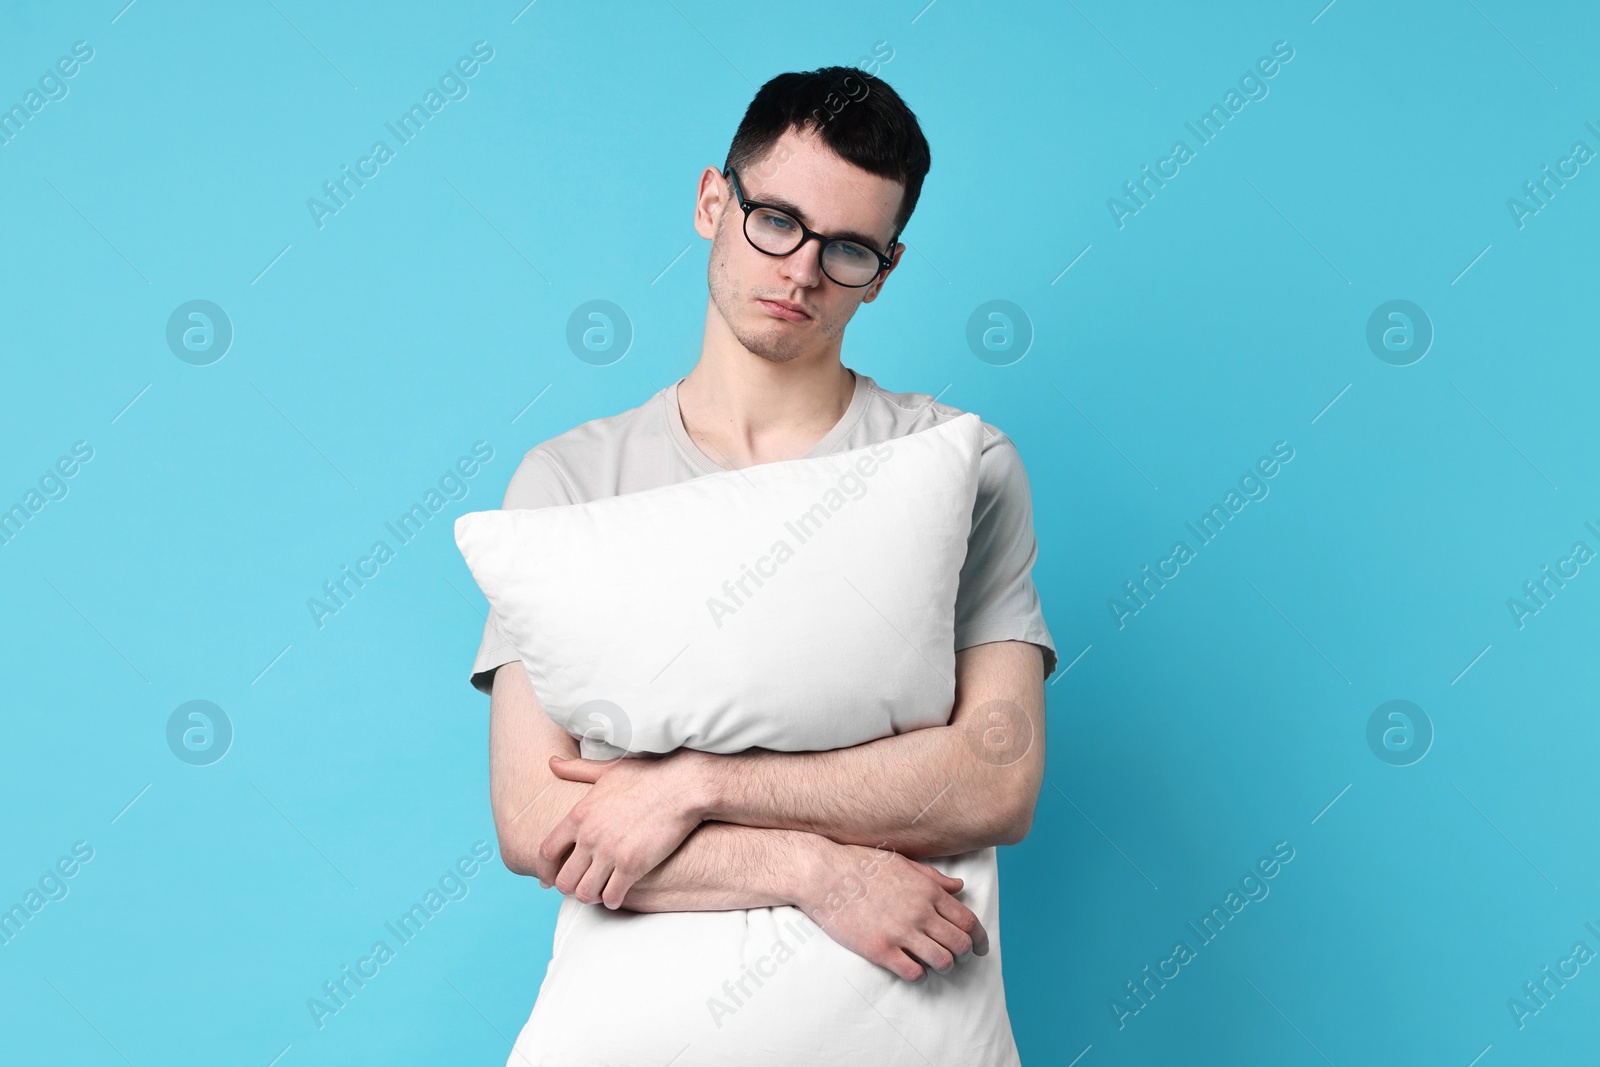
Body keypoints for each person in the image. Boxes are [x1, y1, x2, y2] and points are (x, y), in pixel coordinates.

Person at [468, 65, 1057, 1066]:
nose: (801, 271)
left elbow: (995, 775)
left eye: (849, 249)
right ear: (712, 201)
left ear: (888, 267)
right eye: (774, 220)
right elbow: (537, 817)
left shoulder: (957, 459)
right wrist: (820, 872)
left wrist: (687, 782)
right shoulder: (571, 477)